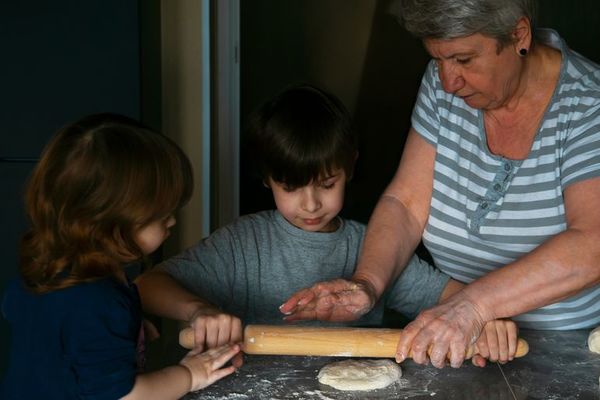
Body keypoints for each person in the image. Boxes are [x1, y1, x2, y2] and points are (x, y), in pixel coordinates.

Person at [282, 0, 600, 370]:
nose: (449, 82)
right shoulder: (442, 85)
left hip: (566, 355)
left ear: (519, 35)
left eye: (464, 60)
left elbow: (592, 243)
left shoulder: (588, 105)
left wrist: (473, 306)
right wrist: (367, 283)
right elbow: (405, 203)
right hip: (457, 339)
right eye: (437, 59)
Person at [136, 84, 519, 367]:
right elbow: (147, 285)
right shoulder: (243, 243)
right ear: (267, 179)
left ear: (350, 167)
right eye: (291, 187)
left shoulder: (372, 250)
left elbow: (455, 296)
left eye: (327, 184)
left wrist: (486, 317)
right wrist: (199, 310)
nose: (311, 203)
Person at [0, 114, 241, 400]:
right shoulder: (96, 302)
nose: (172, 222)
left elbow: (47, 327)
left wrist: (122, 331)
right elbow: (125, 396)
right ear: (107, 224)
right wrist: (191, 374)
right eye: (160, 216)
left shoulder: (48, 275)